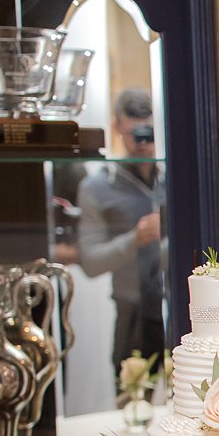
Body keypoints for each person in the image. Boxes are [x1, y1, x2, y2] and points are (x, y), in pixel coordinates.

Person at [77, 88, 165, 372]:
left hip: (180, 305)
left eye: (149, 134)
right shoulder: (98, 187)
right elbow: (90, 263)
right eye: (135, 135)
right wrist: (135, 240)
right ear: (117, 127)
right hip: (131, 313)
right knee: (131, 402)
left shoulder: (175, 178)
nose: (143, 144)